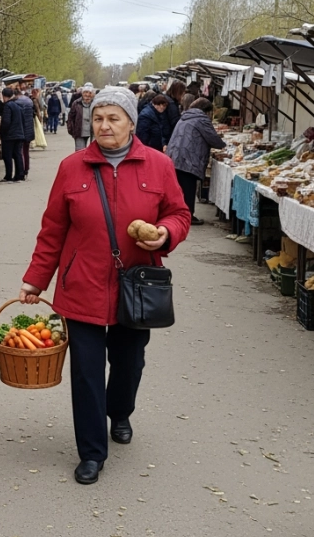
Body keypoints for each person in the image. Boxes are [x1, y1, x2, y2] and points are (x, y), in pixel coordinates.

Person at [19, 86, 191, 485]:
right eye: (98, 118)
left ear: (132, 122)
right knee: (87, 373)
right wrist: (35, 279)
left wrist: (165, 234)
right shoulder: (72, 167)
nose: (104, 125)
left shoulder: (158, 165)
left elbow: (179, 213)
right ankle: (92, 452)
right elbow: (53, 230)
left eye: (114, 118)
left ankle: (121, 410)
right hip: (82, 285)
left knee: (129, 365)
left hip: (137, 287)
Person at [167, 97, 226, 226]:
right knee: (188, 188)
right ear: (207, 111)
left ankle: (178, 214)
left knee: (180, 188)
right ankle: (188, 217)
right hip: (189, 158)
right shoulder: (202, 119)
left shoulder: (185, 117)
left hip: (175, 156)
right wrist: (223, 144)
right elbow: (213, 139)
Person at [0, 88, 26, 182]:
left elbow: (6, 121)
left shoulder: (7, 106)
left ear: (4, 96)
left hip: (10, 135)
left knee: (7, 156)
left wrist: (2, 133)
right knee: (17, 154)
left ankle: (8, 175)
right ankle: (20, 175)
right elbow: (22, 120)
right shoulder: (17, 105)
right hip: (19, 134)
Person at [67, 84, 95, 151]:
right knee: (80, 151)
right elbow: (71, 117)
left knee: (94, 150)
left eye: (90, 93)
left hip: (94, 131)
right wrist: (71, 130)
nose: (87, 95)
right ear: (82, 94)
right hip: (79, 131)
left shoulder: (96, 103)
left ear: (93, 95)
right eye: (85, 93)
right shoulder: (76, 103)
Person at [18, 89, 36, 174]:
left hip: (22, 131)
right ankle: (26, 168)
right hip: (29, 130)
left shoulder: (19, 104)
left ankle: (23, 169)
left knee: (21, 151)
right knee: (26, 151)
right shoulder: (29, 102)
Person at [162, 80, 186, 144]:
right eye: (182, 94)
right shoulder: (171, 104)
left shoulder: (166, 99)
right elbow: (175, 122)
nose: (183, 97)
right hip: (168, 136)